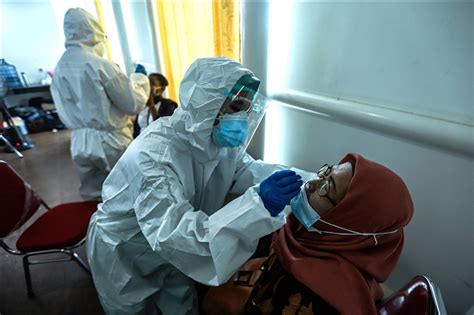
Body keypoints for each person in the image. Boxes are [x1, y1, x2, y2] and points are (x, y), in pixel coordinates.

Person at [86, 57, 313, 314]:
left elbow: (247, 169)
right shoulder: (155, 155)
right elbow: (173, 232)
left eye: (246, 109)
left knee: (182, 306)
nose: (242, 117)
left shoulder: (215, 142)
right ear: (207, 102)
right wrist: (258, 207)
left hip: (173, 255)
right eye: (237, 105)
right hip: (126, 250)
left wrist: (310, 181)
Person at [237, 153, 414, 315]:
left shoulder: (319, 297)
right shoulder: (297, 235)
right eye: (324, 173)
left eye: (326, 188)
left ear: (345, 222)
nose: (312, 183)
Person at [50, 8, 150, 200]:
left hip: (79, 141)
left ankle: (104, 228)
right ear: (94, 31)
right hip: (110, 141)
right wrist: (140, 80)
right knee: (127, 191)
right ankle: (131, 228)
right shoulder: (101, 65)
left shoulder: (60, 67)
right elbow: (133, 104)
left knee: (96, 195)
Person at [134, 72, 178, 137]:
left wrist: (152, 106)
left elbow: (163, 127)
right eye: (147, 83)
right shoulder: (143, 105)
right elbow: (136, 130)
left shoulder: (169, 105)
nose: (149, 87)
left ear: (162, 88)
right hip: (141, 143)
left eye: (152, 84)